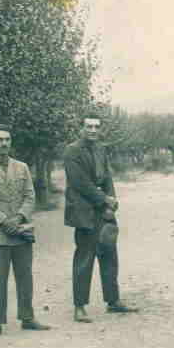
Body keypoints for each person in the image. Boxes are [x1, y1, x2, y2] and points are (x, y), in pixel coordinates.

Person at [0, 124, 50, 339]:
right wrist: (5, 222)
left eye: (7, 139)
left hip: (21, 231)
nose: (4, 143)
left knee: (25, 277)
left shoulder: (22, 168)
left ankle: (27, 317)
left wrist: (19, 218)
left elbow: (30, 196)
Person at [63, 114, 139, 323]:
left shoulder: (101, 149)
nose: (93, 130)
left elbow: (107, 178)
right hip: (84, 212)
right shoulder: (72, 151)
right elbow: (80, 183)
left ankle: (113, 301)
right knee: (84, 259)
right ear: (81, 127)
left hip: (103, 211)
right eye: (89, 126)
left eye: (96, 126)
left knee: (109, 255)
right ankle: (79, 307)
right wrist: (104, 199)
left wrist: (111, 203)